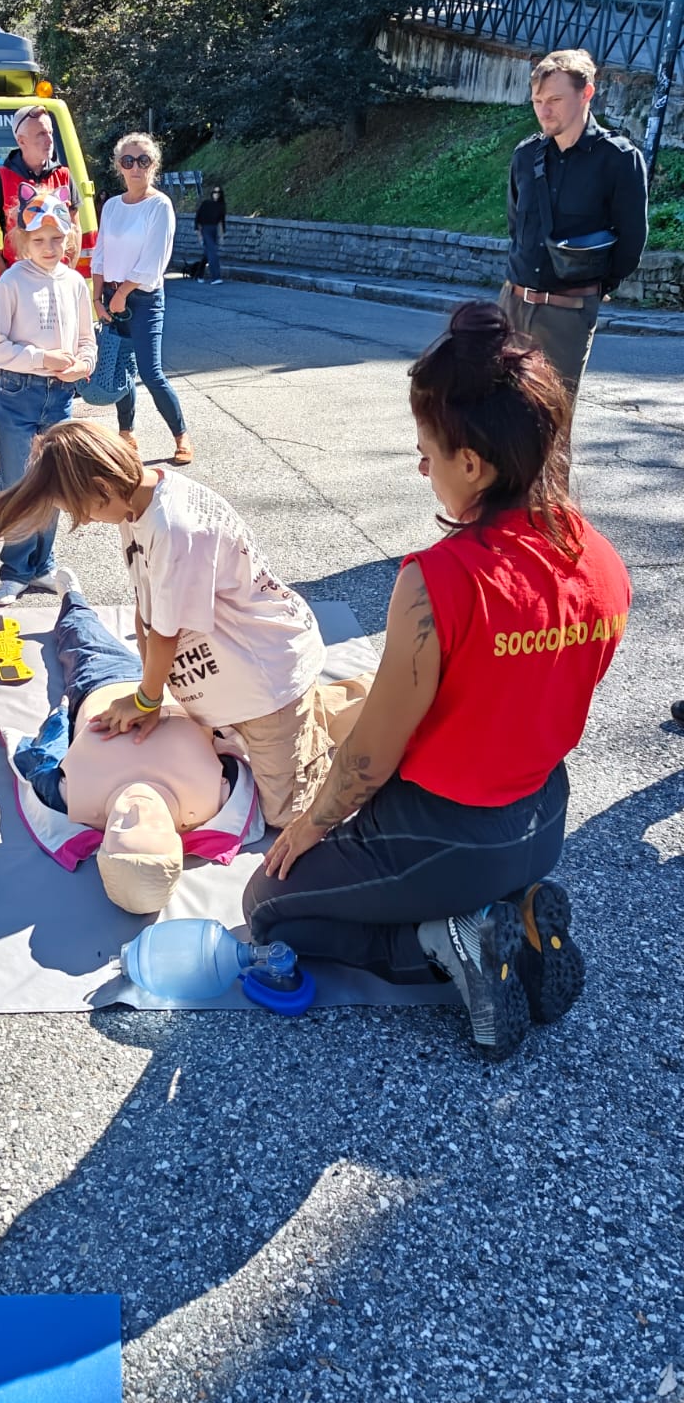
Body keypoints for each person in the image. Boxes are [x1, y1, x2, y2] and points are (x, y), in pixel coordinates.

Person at [244, 302, 632, 1061]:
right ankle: (514, 921)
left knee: (268, 910)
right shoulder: (603, 560)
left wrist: (307, 828)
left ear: (474, 464)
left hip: (442, 839)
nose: (423, 469)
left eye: (428, 452)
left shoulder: (439, 582)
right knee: (404, 871)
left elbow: (370, 758)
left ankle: (449, 937)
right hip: (541, 821)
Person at [0, 419, 369, 825]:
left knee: (288, 813)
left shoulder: (176, 528)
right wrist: (150, 690)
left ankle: (379, 715)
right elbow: (148, 609)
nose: (84, 521)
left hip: (267, 679)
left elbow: (166, 631)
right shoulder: (135, 504)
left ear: (101, 487)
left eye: (78, 510)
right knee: (260, 735)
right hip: (236, 677)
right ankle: (347, 705)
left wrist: (147, 698)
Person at [4, 584, 262, 914]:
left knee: (79, 633)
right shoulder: (216, 800)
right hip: (184, 685)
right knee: (196, 619)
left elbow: (41, 757)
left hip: (104, 681)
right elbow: (239, 751)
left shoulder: (72, 800)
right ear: (177, 842)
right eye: (152, 828)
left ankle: (73, 593)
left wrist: (61, 715)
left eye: (122, 828)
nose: (135, 811)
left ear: (102, 845)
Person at [500, 49, 648, 403]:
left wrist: (589, 290)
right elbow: (514, 227)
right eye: (537, 100)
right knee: (497, 422)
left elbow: (631, 243)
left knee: (550, 426)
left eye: (554, 99)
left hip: (567, 314)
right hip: (512, 306)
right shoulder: (525, 155)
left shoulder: (620, 159)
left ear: (586, 94)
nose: (543, 111)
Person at [0, 186, 95, 606]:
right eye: (38, 240)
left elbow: (86, 338)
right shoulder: (12, 282)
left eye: (56, 238)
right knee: (18, 484)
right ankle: (14, 570)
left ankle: (44, 565)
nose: (48, 247)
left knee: (54, 483)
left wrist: (84, 363)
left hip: (60, 396)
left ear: (68, 238)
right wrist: (41, 358)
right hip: (18, 395)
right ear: (21, 241)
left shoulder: (75, 283)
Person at [91, 132, 193, 466]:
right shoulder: (111, 206)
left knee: (151, 373)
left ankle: (181, 437)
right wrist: (97, 297)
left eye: (144, 160)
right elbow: (101, 254)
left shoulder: (159, 205)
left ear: (154, 166)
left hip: (144, 299)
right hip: (110, 296)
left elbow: (153, 263)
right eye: (128, 161)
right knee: (121, 368)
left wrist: (122, 293)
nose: (136, 167)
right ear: (119, 166)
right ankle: (126, 435)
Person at [0, 106, 81, 273]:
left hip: (57, 274)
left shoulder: (64, 175)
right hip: (21, 277)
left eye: (50, 132)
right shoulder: (2, 177)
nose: (49, 140)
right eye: (41, 134)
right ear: (21, 141)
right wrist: (6, 272)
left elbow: (76, 229)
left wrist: (68, 272)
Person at [194, 184, 227, 284]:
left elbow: (221, 221)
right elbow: (198, 219)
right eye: (214, 192)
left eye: (218, 192)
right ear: (212, 194)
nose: (216, 194)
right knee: (212, 253)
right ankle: (216, 277)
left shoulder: (221, 206)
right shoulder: (206, 204)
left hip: (214, 230)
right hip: (205, 229)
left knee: (208, 254)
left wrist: (221, 236)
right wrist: (199, 234)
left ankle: (199, 274)